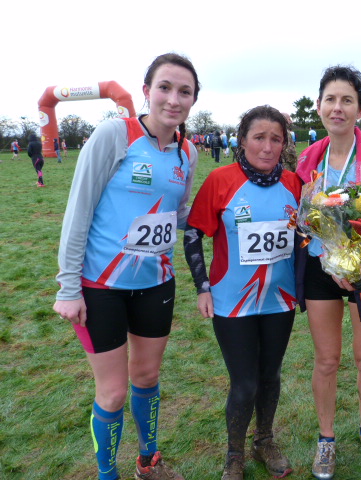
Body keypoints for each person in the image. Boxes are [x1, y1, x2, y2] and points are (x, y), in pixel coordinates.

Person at [52, 52, 201, 480]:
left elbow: (176, 216)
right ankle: (107, 474)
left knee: (148, 375)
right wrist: (68, 287)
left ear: (192, 100)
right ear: (146, 92)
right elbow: (78, 211)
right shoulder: (114, 136)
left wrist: (221, 212)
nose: (173, 99)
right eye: (165, 88)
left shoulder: (187, 153)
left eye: (184, 91)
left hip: (155, 283)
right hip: (100, 286)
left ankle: (148, 461)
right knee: (114, 391)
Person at [296, 65, 361, 480]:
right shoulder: (309, 157)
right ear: (320, 105)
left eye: (347, 100)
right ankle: (326, 439)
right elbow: (305, 222)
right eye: (330, 99)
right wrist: (330, 260)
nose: (337, 107)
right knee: (326, 361)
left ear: (360, 108)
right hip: (323, 271)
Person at [184, 105, 301, 480]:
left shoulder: (296, 184)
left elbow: (305, 238)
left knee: (271, 376)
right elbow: (192, 234)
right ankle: (234, 454)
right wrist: (202, 286)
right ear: (242, 139)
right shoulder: (221, 179)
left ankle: (264, 439)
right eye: (259, 137)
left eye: (276, 139)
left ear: (284, 143)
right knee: (245, 382)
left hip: (279, 301)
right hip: (232, 300)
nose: (268, 147)